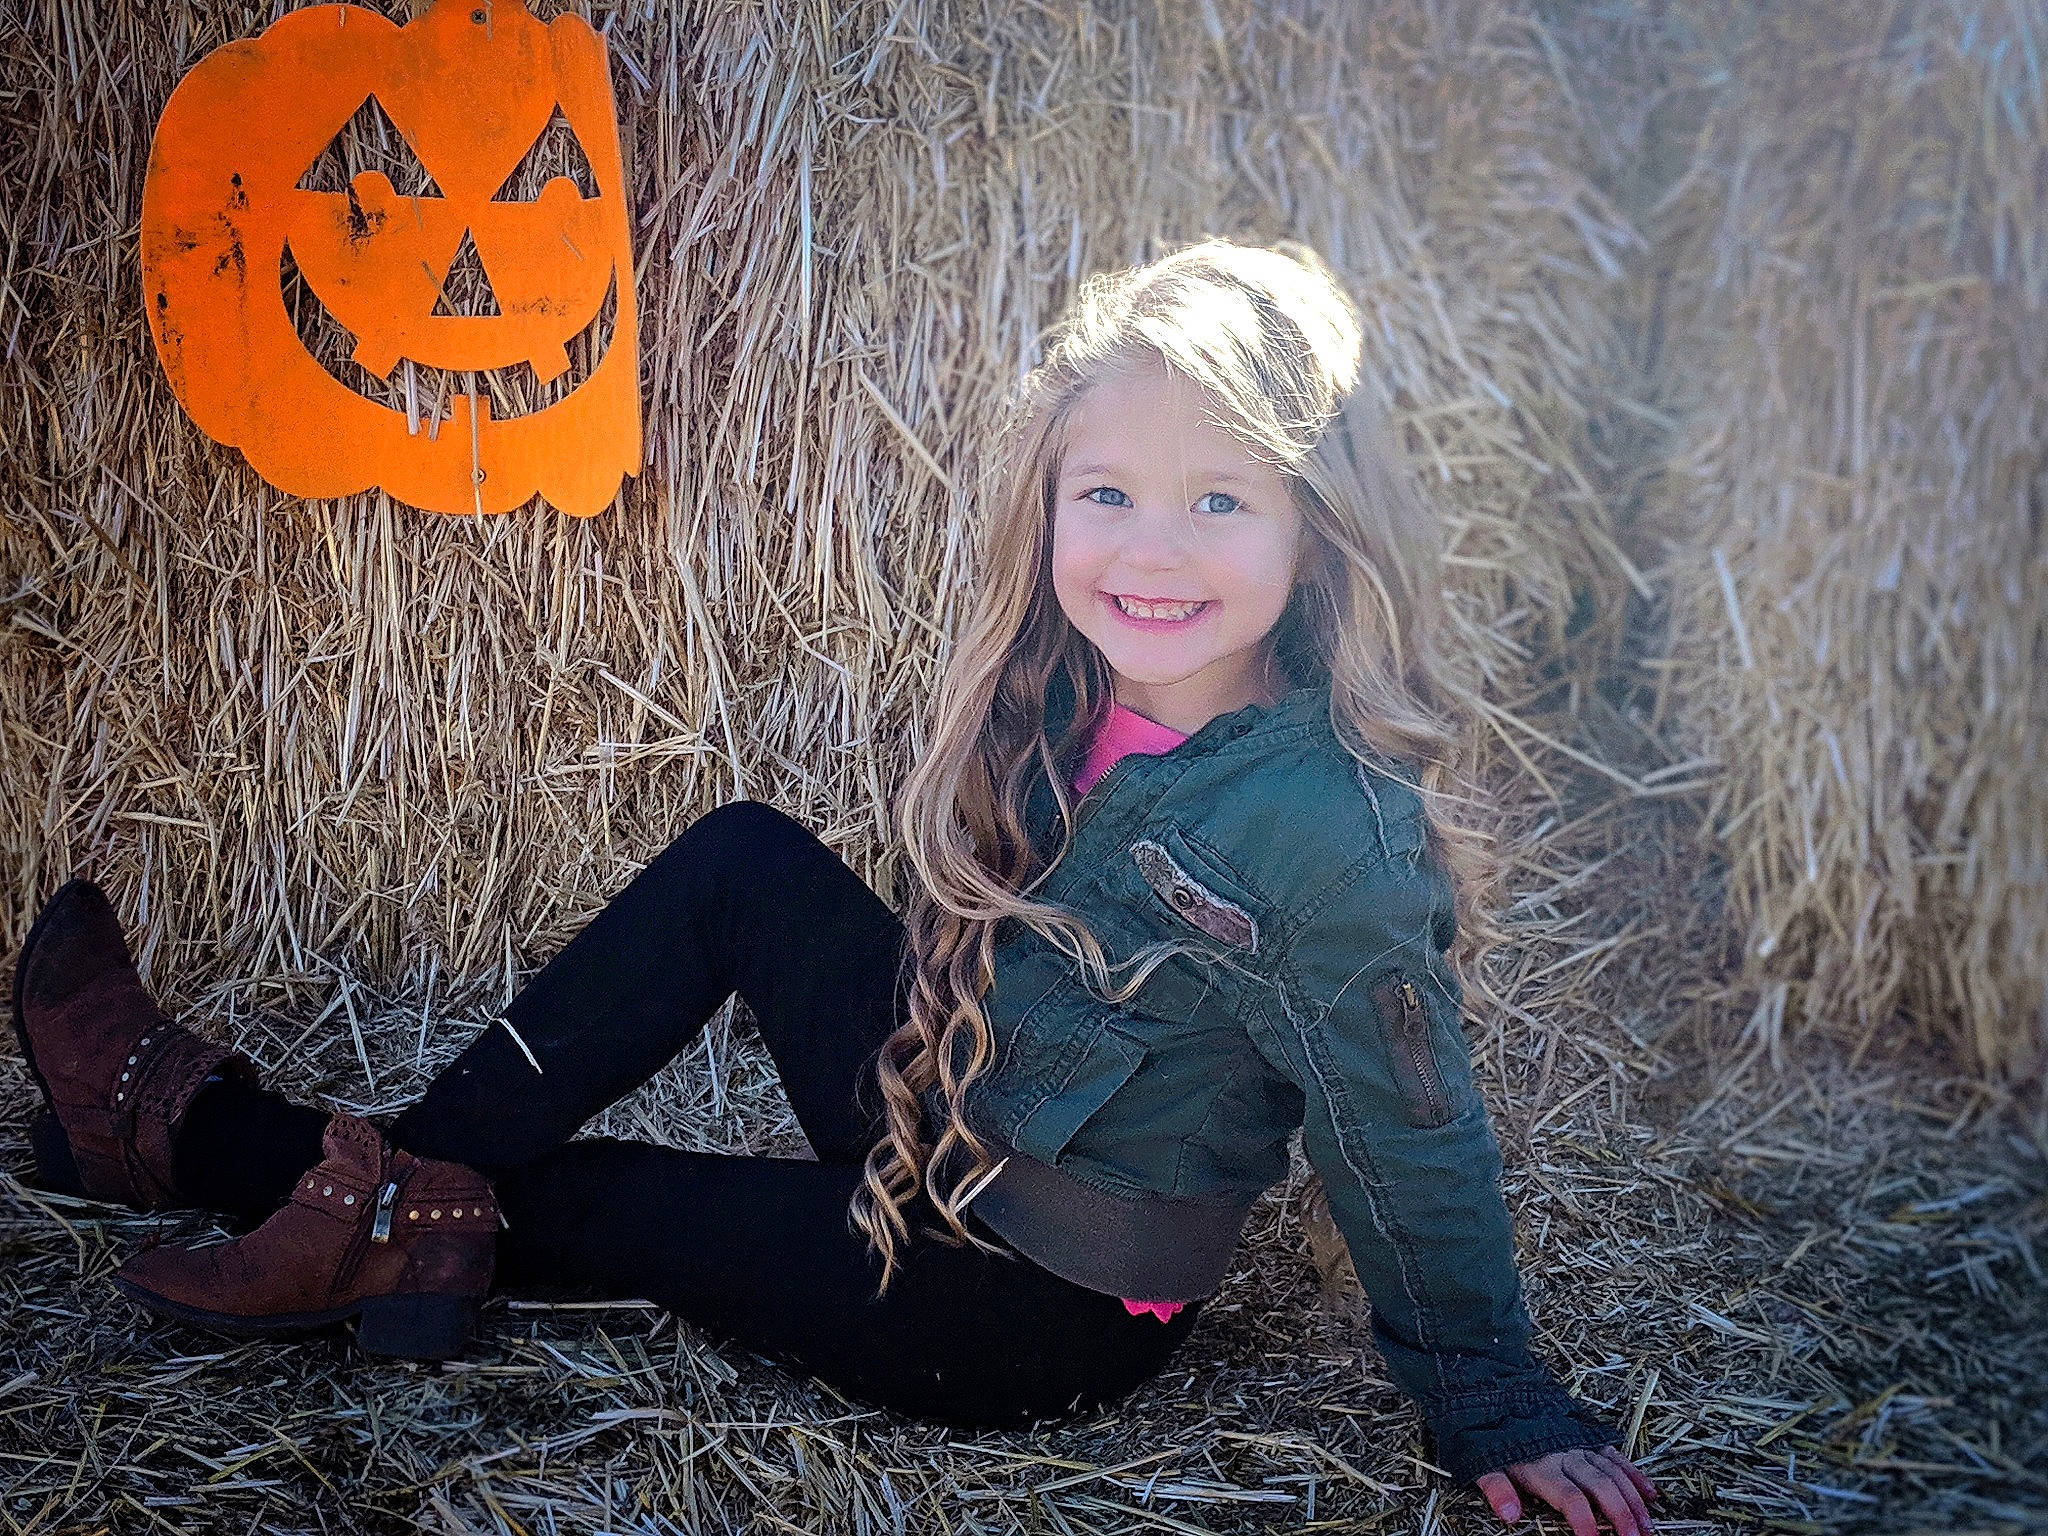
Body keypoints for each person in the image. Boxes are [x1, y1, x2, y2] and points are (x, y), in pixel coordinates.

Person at [10, 238, 1658, 1536]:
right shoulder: (1076, 686)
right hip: (943, 1119)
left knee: (611, 1203)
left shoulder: (1324, 829)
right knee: (742, 862)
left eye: (1220, 500)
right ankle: (362, 1191)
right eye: (1112, 495)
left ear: (1321, 525)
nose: (1151, 552)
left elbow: (1409, 1130)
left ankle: (190, 1128)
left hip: (1025, 1302)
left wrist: (1496, 1401)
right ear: (1055, 502)